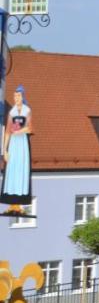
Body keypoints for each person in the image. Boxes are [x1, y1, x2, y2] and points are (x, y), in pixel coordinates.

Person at [0, 86, 32, 215]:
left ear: (22, 96)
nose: (16, 98)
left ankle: (18, 204)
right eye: (14, 96)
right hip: (13, 144)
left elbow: (29, 128)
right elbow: (7, 131)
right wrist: (5, 150)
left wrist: (18, 131)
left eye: (18, 96)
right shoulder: (12, 112)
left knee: (21, 169)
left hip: (22, 144)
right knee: (12, 171)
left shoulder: (27, 111)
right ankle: (12, 204)